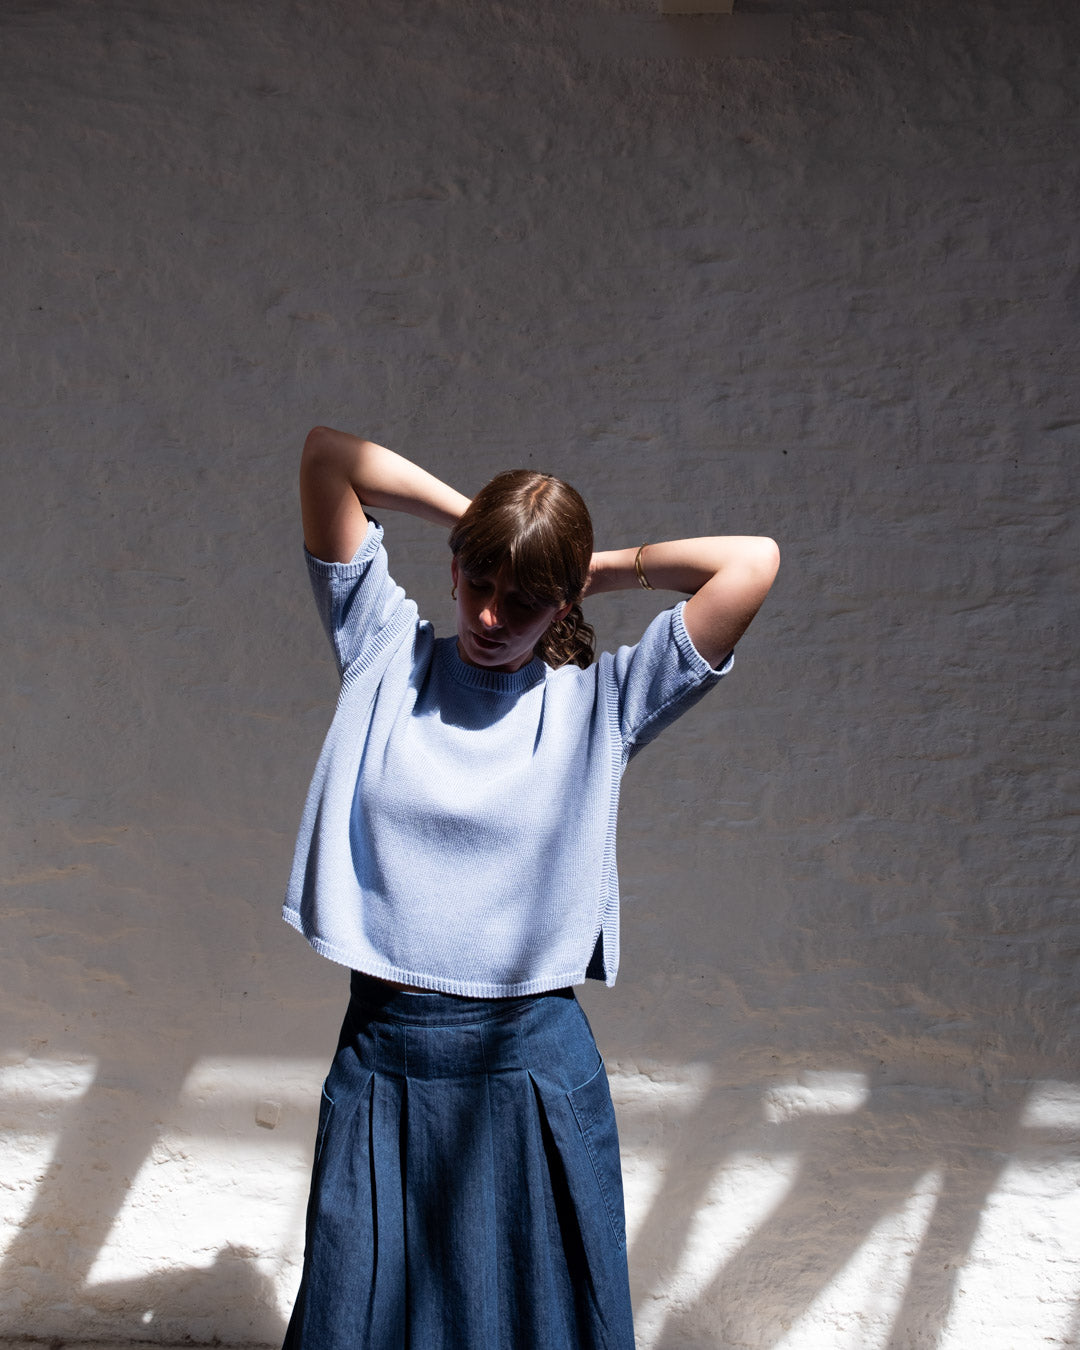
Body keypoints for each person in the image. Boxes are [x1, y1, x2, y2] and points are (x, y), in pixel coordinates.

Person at [281, 425, 779, 1350]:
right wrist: (488, 526)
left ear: (562, 604)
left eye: (525, 600)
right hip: (385, 1060)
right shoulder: (384, 650)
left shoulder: (603, 703)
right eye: (479, 582)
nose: (490, 616)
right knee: (359, 1317)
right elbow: (328, 458)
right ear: (456, 569)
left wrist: (589, 565)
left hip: (530, 1073)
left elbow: (753, 563)